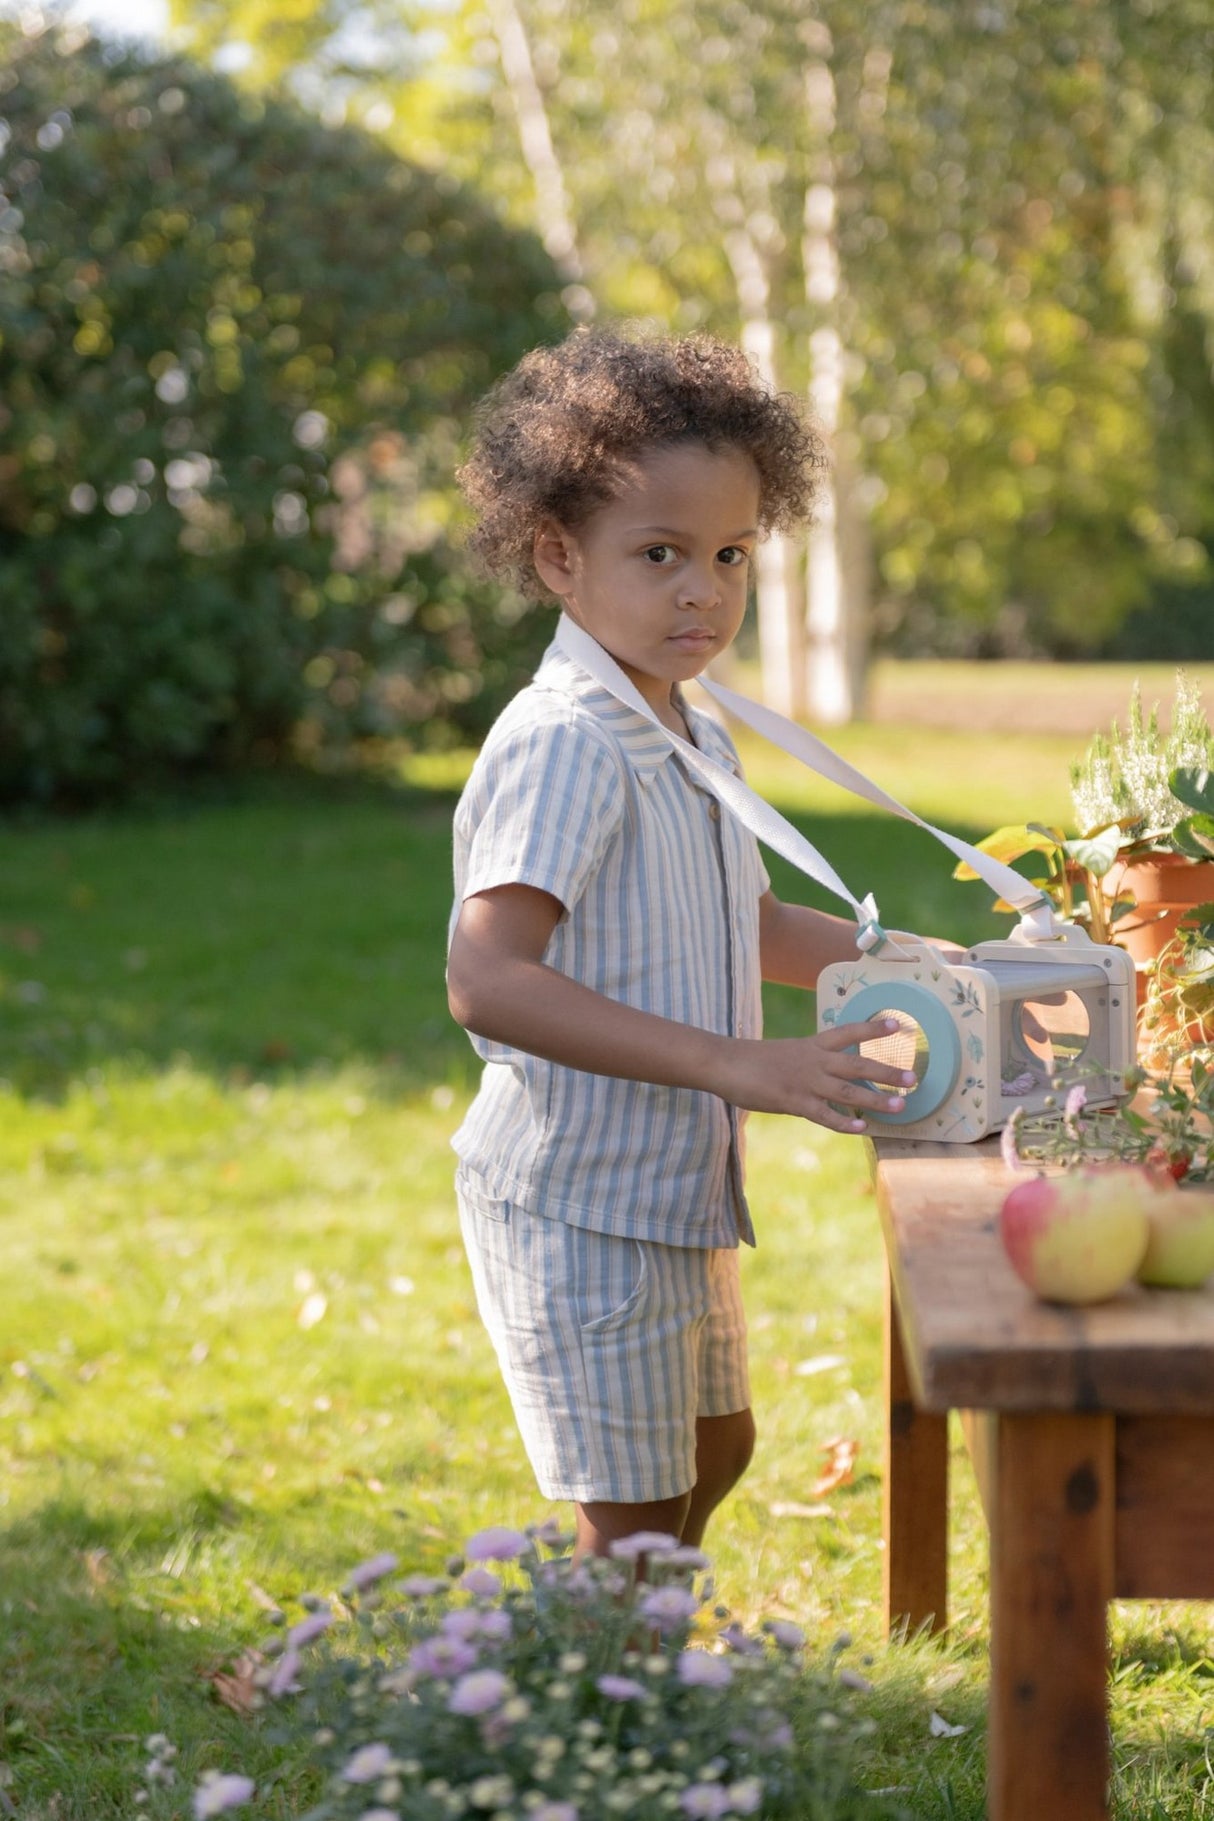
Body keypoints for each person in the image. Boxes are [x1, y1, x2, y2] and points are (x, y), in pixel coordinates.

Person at [446, 326, 919, 1561]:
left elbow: (742, 919)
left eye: (728, 555)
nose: (700, 589)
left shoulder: (686, 729)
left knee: (716, 1452)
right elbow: (486, 980)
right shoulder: (568, 742)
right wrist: (738, 1065)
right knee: (637, 1522)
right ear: (557, 556)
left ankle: (644, 1697)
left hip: (674, 1191)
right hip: (582, 1198)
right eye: (656, 555)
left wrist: (920, 962)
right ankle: (612, 1728)